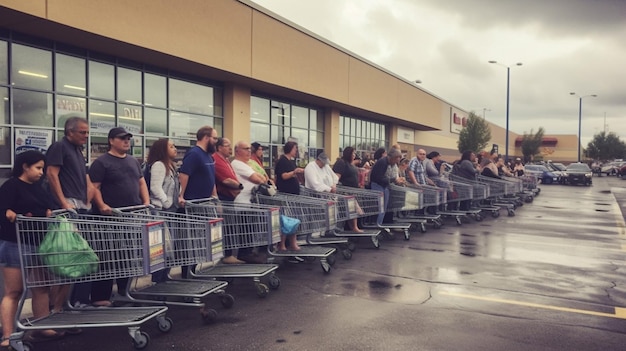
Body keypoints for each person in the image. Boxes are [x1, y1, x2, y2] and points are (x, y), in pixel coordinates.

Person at [0, 151, 65, 346]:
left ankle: (41, 327)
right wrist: (8, 213)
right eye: (37, 168)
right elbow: (3, 209)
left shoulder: (40, 187)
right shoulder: (11, 186)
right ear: (25, 166)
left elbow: (49, 206)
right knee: (14, 291)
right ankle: (7, 335)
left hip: (39, 243)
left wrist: (49, 211)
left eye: (42, 168)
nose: (41, 172)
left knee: (41, 288)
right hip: (15, 243)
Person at [89, 127, 150, 306]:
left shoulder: (133, 161)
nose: (126, 141)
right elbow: (94, 187)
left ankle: (124, 291)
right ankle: (100, 297)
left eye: (128, 138)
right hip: (109, 219)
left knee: (127, 255)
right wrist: (102, 206)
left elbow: (141, 182)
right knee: (108, 256)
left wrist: (145, 202)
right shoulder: (102, 162)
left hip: (131, 217)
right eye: (122, 138)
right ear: (111, 141)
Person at [46, 116, 93, 310]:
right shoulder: (59, 147)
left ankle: (64, 305)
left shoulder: (77, 150)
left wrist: (88, 201)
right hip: (68, 209)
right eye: (82, 132)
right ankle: (54, 308)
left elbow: (84, 177)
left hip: (80, 207)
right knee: (65, 259)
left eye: (87, 132)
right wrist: (64, 203)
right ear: (69, 132)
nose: (86, 136)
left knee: (75, 258)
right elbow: (51, 173)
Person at [178, 126, 219, 272]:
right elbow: (184, 174)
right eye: (214, 138)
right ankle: (186, 273)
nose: (216, 141)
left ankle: (193, 271)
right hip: (192, 205)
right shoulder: (194, 154)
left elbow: (211, 178)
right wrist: (181, 195)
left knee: (199, 242)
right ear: (206, 138)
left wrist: (215, 197)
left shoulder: (208, 155)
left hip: (204, 205)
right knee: (190, 242)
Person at [231, 141, 270, 261]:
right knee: (245, 229)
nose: (249, 151)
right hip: (242, 202)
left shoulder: (247, 164)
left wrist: (261, 178)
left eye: (249, 149)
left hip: (250, 201)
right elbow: (257, 179)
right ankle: (244, 254)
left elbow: (263, 177)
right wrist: (261, 178)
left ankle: (248, 252)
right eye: (246, 149)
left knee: (250, 229)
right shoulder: (237, 163)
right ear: (237, 151)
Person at [274, 141, 304, 250]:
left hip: (293, 195)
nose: (296, 151)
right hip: (286, 195)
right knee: (286, 220)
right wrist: (294, 172)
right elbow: (283, 176)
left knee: (293, 220)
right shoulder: (282, 161)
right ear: (290, 149)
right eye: (295, 149)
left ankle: (293, 242)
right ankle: (281, 244)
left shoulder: (291, 161)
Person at [332, 147, 365, 233]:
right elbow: (336, 177)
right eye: (353, 153)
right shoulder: (341, 163)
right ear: (348, 154)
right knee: (352, 209)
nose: (354, 155)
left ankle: (354, 227)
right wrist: (335, 187)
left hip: (352, 191)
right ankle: (354, 227)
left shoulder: (349, 163)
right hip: (345, 192)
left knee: (352, 209)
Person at [369, 147, 402, 226]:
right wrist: (392, 180)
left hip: (383, 186)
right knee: (381, 208)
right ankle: (378, 224)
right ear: (392, 158)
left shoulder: (387, 163)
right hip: (378, 185)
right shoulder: (383, 162)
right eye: (396, 159)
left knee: (383, 208)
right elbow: (378, 177)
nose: (396, 162)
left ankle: (380, 223)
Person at [146, 138, 180, 211]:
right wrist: (165, 201)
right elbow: (155, 187)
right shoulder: (159, 165)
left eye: (174, 146)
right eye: (171, 147)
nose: (175, 149)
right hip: (161, 208)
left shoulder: (171, 165)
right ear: (163, 150)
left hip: (171, 207)